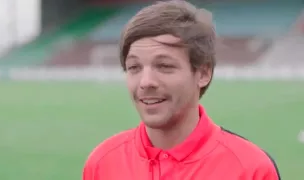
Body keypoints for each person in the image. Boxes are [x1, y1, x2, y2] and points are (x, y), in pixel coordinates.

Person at [83, 1, 281, 179]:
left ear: (203, 73)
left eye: (164, 66)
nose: (146, 82)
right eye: (134, 67)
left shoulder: (251, 169)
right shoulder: (102, 163)